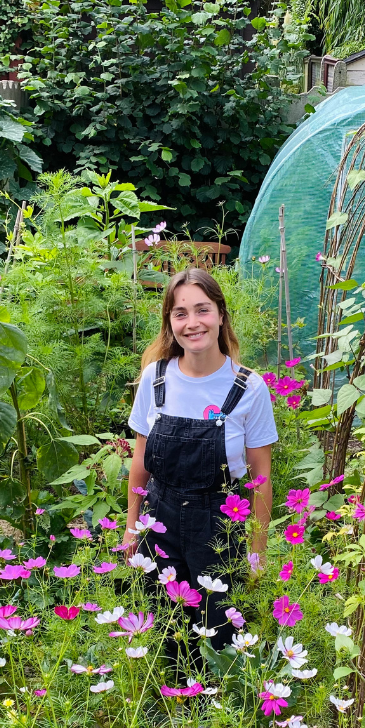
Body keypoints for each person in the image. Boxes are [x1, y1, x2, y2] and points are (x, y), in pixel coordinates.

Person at [125, 267, 277, 654]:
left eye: (202, 310)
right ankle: (170, 704)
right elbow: (140, 460)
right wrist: (131, 526)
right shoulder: (154, 379)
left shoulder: (248, 388)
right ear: (170, 322)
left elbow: (260, 479)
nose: (193, 323)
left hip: (219, 524)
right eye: (180, 313)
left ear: (221, 315)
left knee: (219, 631)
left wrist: (256, 551)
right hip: (159, 518)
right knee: (162, 629)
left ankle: (217, 709)